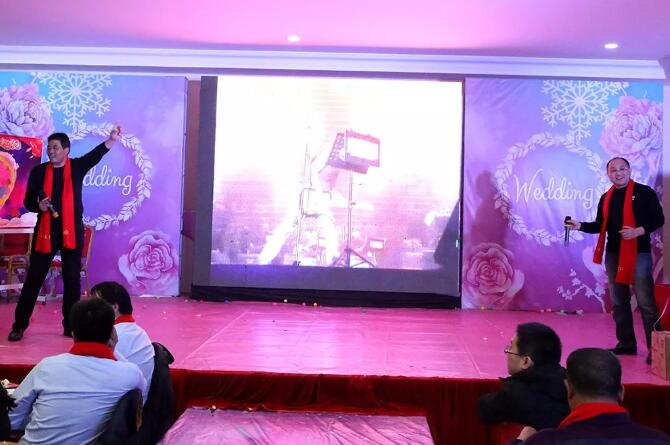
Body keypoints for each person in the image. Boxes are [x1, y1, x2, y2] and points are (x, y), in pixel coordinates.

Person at [8, 126, 122, 342]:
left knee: (72, 281)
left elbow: (95, 155)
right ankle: (19, 325)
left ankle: (71, 326)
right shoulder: (38, 172)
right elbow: (28, 201)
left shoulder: (77, 167)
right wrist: (39, 206)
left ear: (66, 150)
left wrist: (111, 139)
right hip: (46, 231)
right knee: (34, 279)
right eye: (49, 148)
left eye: (55, 148)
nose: (51, 151)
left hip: (72, 231)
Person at [567, 157, 664, 364]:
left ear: (629, 170)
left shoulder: (644, 192)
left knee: (646, 302)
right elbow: (600, 225)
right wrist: (580, 225)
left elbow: (659, 218)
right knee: (619, 301)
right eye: (613, 170)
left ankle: (657, 349)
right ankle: (626, 344)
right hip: (613, 253)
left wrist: (638, 231)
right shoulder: (606, 197)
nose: (618, 173)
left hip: (639, 252)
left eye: (622, 169)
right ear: (608, 174)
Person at [9, 298, 145, 444]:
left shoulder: (47, 367)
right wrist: (113, 349)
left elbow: (11, 418)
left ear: (73, 333)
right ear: (113, 333)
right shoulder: (130, 374)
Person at [511, 348, 670, 444]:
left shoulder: (543, 441)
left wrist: (521, 441)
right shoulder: (660, 440)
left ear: (569, 390)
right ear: (621, 392)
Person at [477, 322, 570, 431]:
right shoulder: (571, 383)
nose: (507, 352)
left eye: (511, 347)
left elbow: (486, 409)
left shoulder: (515, 392)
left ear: (526, 361)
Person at [91, 281, 155, 403]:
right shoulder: (139, 331)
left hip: (116, 406)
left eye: (96, 304)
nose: (89, 310)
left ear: (114, 307)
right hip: (132, 404)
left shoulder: (112, 335)